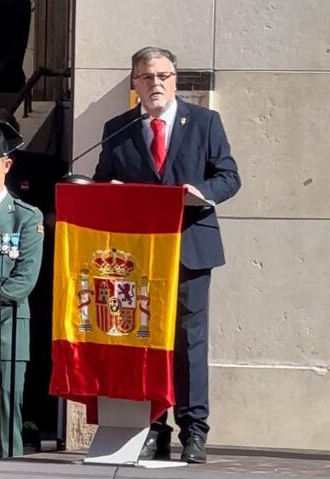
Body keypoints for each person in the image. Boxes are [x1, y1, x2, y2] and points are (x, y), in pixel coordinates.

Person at [93, 46, 241, 463]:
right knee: (146, 344)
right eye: (146, 77)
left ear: (174, 79)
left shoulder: (205, 123)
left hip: (191, 249)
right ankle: (153, 428)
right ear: (135, 84)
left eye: (163, 75)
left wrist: (204, 193)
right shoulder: (118, 128)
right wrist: (109, 192)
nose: (155, 83)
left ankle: (194, 432)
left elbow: (229, 175)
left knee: (189, 345)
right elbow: (105, 181)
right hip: (139, 256)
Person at [0, 122, 44, 457]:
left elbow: (24, 280)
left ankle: (10, 468)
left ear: (6, 165)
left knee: (7, 405)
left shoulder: (25, 217)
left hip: (6, 326)